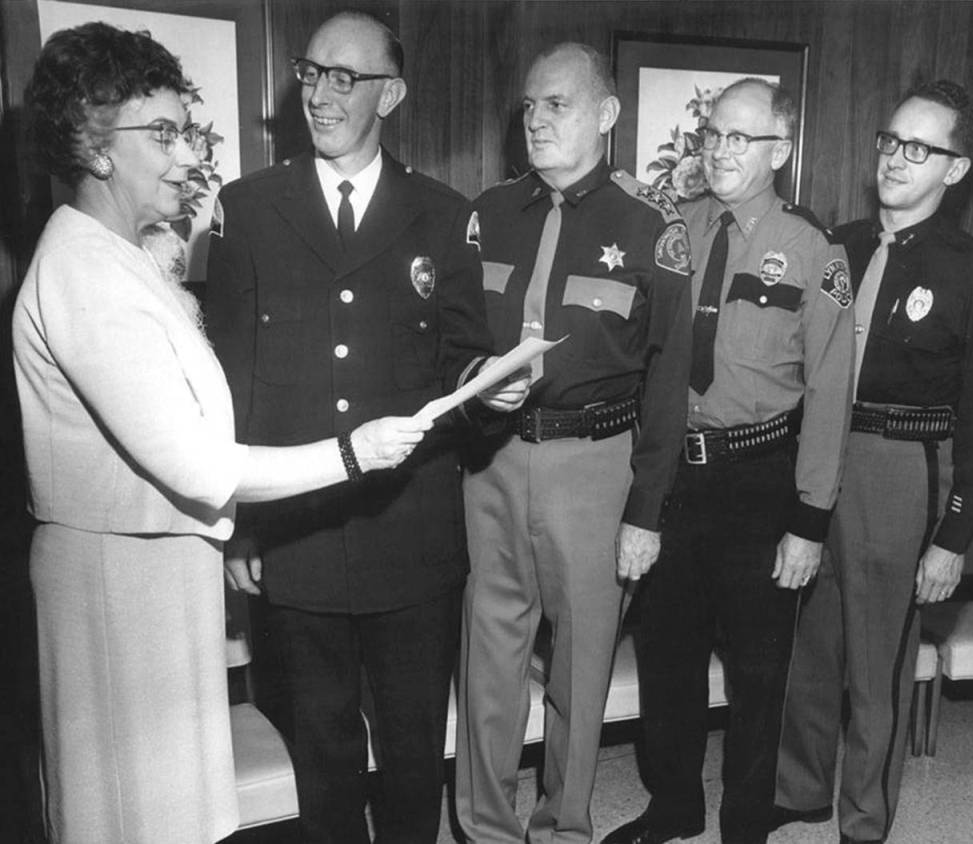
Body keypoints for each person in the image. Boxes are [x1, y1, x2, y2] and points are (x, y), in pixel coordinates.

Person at [13, 22, 431, 844]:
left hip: (156, 565)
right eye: (161, 134)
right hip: (114, 578)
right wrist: (353, 451)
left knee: (173, 806)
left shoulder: (123, 253)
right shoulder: (83, 270)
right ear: (94, 146)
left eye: (184, 128)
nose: (185, 154)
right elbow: (200, 462)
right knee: (132, 811)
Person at [203, 10, 526, 844]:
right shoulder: (248, 209)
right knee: (323, 747)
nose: (320, 94)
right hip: (299, 530)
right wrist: (239, 526)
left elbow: (464, 358)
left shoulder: (444, 215)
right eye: (312, 73)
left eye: (346, 78)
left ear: (393, 93)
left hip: (408, 533)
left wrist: (491, 396)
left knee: (416, 748)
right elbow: (232, 387)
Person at [604, 77, 854, 844]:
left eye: (739, 138)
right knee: (668, 656)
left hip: (758, 480)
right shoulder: (674, 227)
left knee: (758, 670)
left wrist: (808, 522)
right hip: (675, 476)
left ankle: (747, 819)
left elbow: (830, 392)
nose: (717, 150)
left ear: (780, 150)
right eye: (711, 134)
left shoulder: (814, 248)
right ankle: (673, 803)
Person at [456, 43, 694, 844]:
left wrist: (646, 513)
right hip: (490, 460)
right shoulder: (486, 214)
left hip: (595, 467)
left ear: (606, 114)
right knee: (489, 661)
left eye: (558, 104)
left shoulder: (651, 229)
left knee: (580, 666)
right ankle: (484, 827)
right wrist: (477, 379)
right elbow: (449, 339)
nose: (538, 120)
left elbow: (667, 389)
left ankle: (562, 828)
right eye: (530, 106)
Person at [774, 80, 973, 844]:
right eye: (890, 141)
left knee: (877, 654)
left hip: (896, 465)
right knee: (807, 638)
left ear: (956, 169)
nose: (896, 159)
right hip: (816, 455)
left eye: (921, 148)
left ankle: (865, 814)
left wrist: (952, 538)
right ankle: (800, 788)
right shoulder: (835, 246)